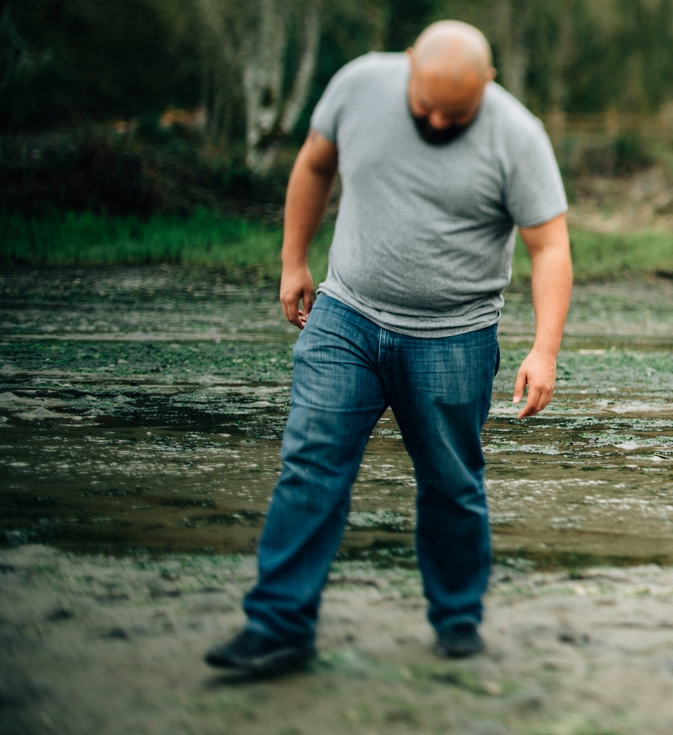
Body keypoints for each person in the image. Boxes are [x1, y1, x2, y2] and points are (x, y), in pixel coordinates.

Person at [206, 20, 572, 676]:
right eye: (424, 103)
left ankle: (457, 617)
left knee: (451, 483)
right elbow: (314, 164)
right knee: (310, 465)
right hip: (345, 317)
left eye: (453, 111)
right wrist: (293, 261)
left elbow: (549, 246)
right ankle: (278, 625)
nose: (434, 120)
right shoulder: (358, 86)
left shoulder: (518, 136)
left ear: (487, 85)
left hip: (454, 339)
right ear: (407, 65)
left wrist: (543, 350)